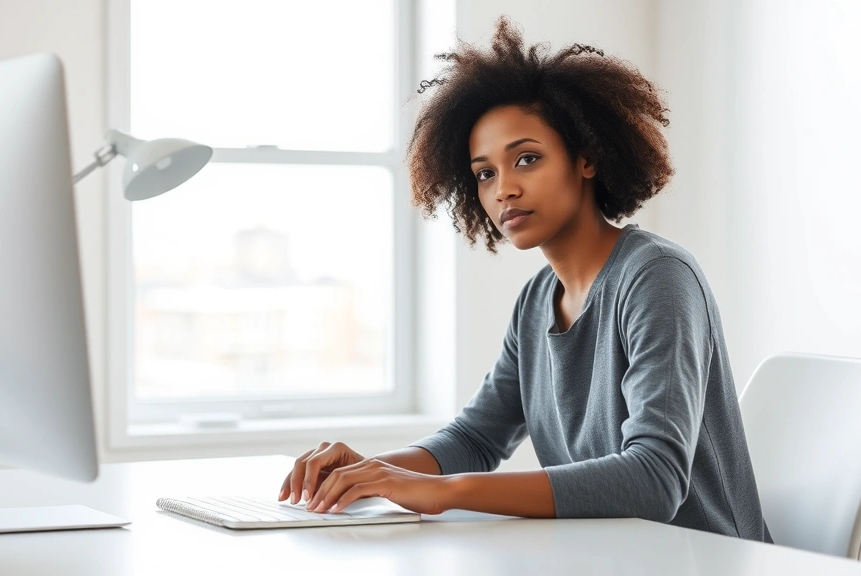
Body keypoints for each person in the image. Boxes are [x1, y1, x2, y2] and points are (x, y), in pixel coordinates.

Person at [279, 17, 771, 542]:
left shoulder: (656, 279)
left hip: (706, 558)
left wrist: (443, 493)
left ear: (586, 158)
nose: (503, 190)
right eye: (485, 172)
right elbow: (475, 439)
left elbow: (655, 479)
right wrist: (370, 473)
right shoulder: (539, 300)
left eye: (527, 159)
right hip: (609, 555)